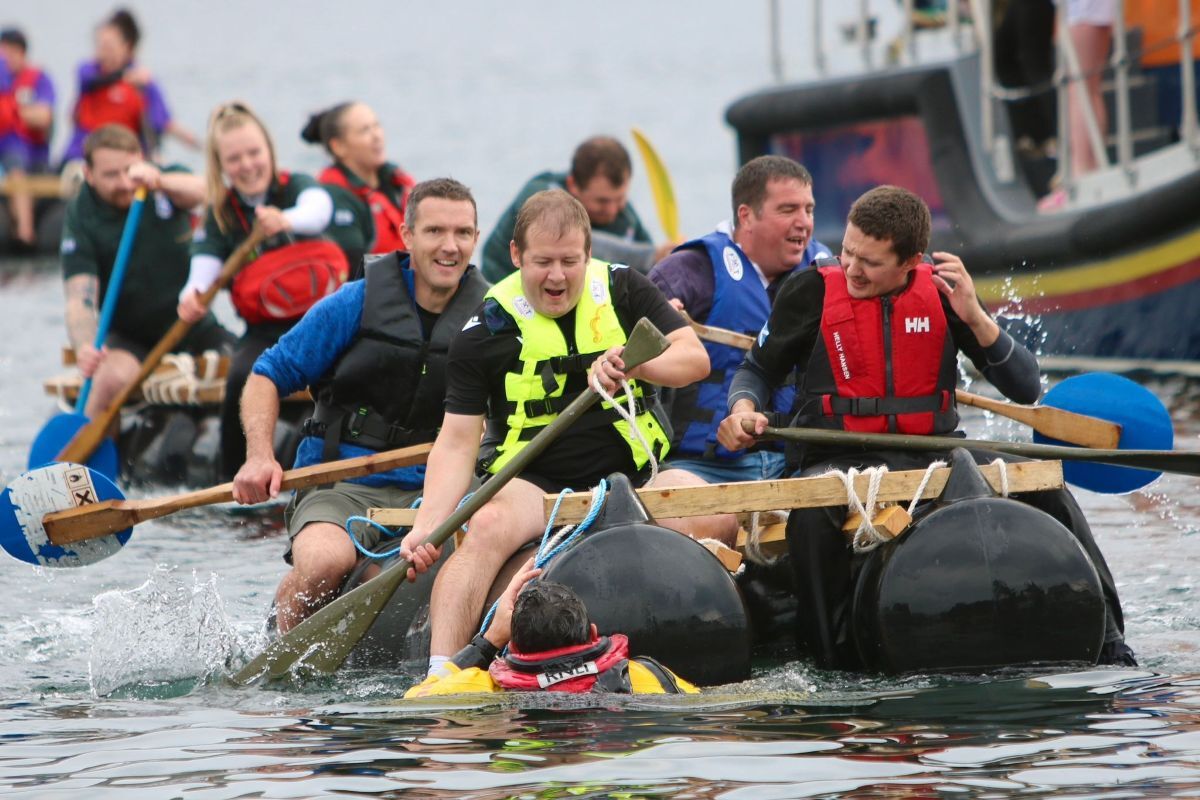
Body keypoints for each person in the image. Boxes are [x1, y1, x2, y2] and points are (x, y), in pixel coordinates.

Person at [717, 184, 1133, 669]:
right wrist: (742, 408)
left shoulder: (943, 292)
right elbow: (757, 371)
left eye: (870, 262)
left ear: (911, 261)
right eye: (848, 252)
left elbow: (1023, 387)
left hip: (932, 452)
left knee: (1047, 483)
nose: (852, 269)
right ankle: (832, 667)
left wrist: (975, 316)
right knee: (811, 521)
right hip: (839, 459)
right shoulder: (810, 291)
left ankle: (1109, 636)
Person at [399, 189, 709, 679]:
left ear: (589, 255)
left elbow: (694, 359)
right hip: (535, 482)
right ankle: (442, 672)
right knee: (485, 527)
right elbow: (457, 441)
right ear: (517, 255)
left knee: (716, 512)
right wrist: (426, 527)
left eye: (570, 261)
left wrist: (635, 365)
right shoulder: (485, 328)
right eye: (543, 262)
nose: (558, 276)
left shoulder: (625, 289)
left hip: (634, 474)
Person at [232, 178, 489, 632]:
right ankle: (277, 650)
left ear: (476, 238)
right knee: (326, 562)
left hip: (441, 491)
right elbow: (266, 375)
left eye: (463, 233)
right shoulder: (356, 301)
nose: (450, 247)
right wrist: (259, 455)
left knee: (477, 550)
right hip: (341, 482)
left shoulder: (492, 316)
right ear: (407, 236)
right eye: (434, 232)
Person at [647, 155, 831, 544]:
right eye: (788, 210)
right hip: (702, 470)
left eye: (809, 209)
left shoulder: (829, 272)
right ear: (746, 216)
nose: (804, 222)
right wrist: (662, 327)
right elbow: (630, 335)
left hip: (796, 467)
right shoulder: (688, 270)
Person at [178, 101, 349, 481]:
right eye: (235, 158)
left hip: (321, 324)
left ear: (269, 151)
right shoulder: (221, 214)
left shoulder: (296, 187)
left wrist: (284, 220)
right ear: (221, 166)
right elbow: (201, 272)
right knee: (242, 377)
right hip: (265, 334)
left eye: (254, 153)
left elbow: (319, 210)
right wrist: (190, 298)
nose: (248, 165)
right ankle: (233, 476)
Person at [61, 124, 231, 426]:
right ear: (89, 174)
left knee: (248, 367)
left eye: (129, 170)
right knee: (110, 378)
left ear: (141, 159)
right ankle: (82, 467)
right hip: (129, 337)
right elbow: (79, 298)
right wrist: (85, 347)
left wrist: (160, 181)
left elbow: (208, 193)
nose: (125, 182)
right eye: (111, 175)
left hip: (191, 324)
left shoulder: (164, 184)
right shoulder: (81, 214)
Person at [404, 560, 698, 697]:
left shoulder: (479, 688)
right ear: (593, 634)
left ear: (514, 649)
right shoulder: (648, 677)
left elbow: (414, 700)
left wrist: (490, 639)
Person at [481, 136, 668, 282]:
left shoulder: (624, 213)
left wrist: (671, 257)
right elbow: (573, 243)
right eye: (602, 202)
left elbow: (655, 266)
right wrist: (650, 256)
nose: (612, 210)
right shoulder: (540, 194)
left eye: (619, 199)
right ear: (573, 185)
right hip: (503, 289)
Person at [60, 8, 198, 166]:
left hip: (124, 157)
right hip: (82, 154)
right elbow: (88, 81)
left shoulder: (143, 82)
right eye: (100, 45)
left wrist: (190, 139)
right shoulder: (88, 71)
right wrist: (123, 75)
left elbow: (163, 121)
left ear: (126, 46)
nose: (103, 52)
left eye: (109, 46)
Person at [302, 101, 416, 270]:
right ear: (338, 147)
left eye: (377, 125)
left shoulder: (395, 183)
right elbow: (356, 274)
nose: (376, 135)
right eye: (365, 130)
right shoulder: (333, 198)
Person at [1039, 0, 1115, 210]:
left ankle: (1080, 177)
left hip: (1083, 9)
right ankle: (1090, 171)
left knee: (1079, 87)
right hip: (1090, 9)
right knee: (1088, 88)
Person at [0, 27, 55, 251]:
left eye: (10, 53)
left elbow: (43, 116)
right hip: (6, 144)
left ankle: (25, 231)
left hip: (28, 151)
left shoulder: (37, 79)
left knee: (16, 164)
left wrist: (13, 110)